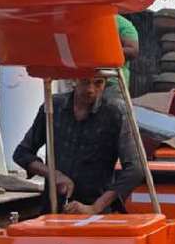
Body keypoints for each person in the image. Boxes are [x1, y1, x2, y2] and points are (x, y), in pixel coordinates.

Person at [13, 74, 144, 214]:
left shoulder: (115, 112)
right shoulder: (53, 107)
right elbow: (22, 153)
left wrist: (94, 208)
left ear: (105, 83)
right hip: (53, 208)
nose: (90, 90)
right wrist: (54, 175)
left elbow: (136, 170)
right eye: (85, 81)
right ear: (74, 80)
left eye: (98, 83)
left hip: (97, 213)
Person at [103, 14, 140, 105]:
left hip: (112, 81)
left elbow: (133, 50)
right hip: (85, 80)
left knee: (113, 111)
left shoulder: (122, 23)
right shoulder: (85, 20)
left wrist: (103, 51)